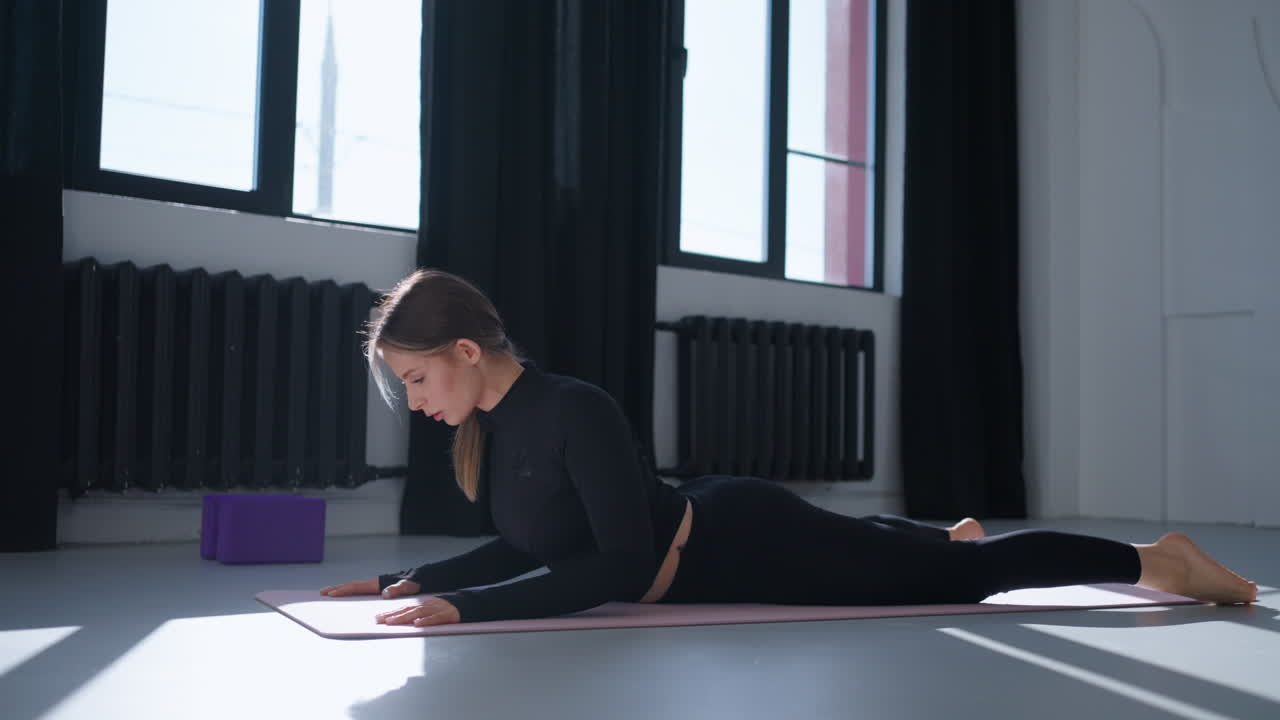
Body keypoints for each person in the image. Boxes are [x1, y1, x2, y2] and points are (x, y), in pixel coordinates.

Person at [321, 269, 1258, 627]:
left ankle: (1152, 559)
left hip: (741, 540)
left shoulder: (576, 410)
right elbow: (534, 544)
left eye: (415, 380)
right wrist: (419, 580)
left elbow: (618, 561)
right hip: (717, 550)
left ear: (466, 352)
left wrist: (467, 608)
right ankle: (936, 534)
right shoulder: (492, 431)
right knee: (913, 556)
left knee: (963, 587)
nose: (415, 401)